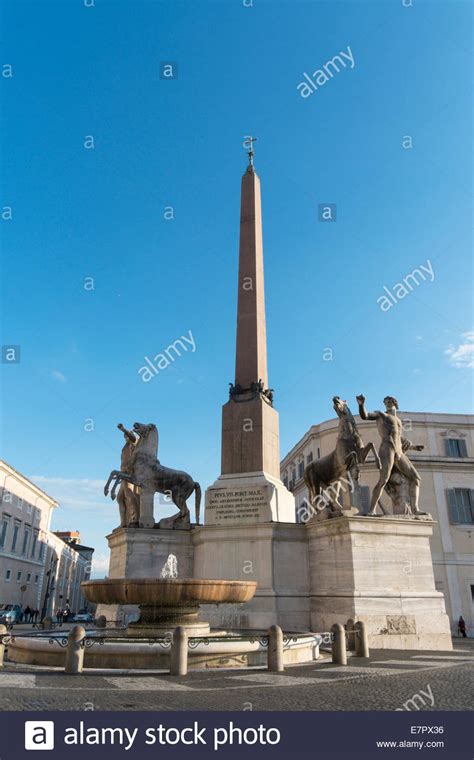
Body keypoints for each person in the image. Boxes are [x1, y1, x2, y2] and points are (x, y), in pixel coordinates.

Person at [356, 394, 425, 516]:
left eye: (389, 400)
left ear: (395, 403)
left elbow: (398, 437)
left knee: (416, 478)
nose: (387, 403)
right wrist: (361, 405)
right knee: (383, 480)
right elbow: (365, 416)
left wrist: (414, 447)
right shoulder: (381, 415)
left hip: (399, 452)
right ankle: (371, 510)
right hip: (387, 449)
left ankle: (415, 509)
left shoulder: (398, 420)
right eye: (385, 401)